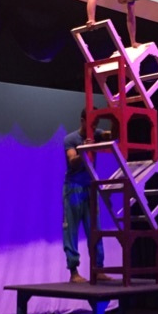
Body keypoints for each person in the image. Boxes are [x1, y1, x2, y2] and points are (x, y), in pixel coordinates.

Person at [62, 108, 113, 283]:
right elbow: (72, 162)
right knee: (71, 230)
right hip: (74, 188)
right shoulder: (71, 139)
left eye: (96, 124)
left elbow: (112, 135)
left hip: (90, 187)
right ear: (82, 120)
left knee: (95, 228)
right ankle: (73, 272)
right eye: (91, 123)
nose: (94, 127)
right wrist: (84, 149)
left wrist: (115, 119)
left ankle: (98, 269)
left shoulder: (96, 134)